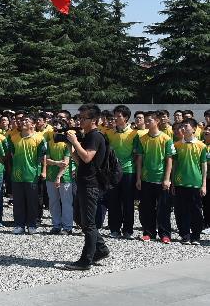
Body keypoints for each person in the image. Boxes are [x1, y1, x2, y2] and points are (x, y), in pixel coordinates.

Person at [61, 104, 110, 271]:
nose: (79, 121)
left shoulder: (95, 136)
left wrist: (75, 141)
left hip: (91, 184)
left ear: (94, 120)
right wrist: (70, 147)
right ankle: (101, 249)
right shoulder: (89, 136)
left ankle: (86, 260)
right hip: (84, 181)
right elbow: (80, 159)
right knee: (79, 216)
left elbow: (88, 157)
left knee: (88, 223)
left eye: (83, 118)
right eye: (79, 118)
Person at [134, 111, 175, 243]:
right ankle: (149, 232)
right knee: (147, 207)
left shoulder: (166, 139)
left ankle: (165, 234)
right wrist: (139, 178)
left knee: (163, 208)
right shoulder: (142, 139)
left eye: (149, 120)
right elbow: (139, 159)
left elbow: (169, 159)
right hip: (146, 178)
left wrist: (167, 179)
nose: (146, 123)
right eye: (145, 120)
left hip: (161, 179)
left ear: (157, 121)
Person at [8, 113, 47, 235]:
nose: (23, 122)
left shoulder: (40, 138)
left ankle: (32, 225)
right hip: (17, 174)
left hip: (32, 174)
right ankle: (19, 225)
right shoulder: (13, 138)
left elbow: (43, 156)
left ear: (33, 124)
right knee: (18, 201)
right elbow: (12, 155)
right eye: (22, 120)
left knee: (32, 201)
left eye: (27, 120)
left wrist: (44, 170)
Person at [171, 119, 207, 244]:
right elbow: (174, 165)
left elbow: (203, 165)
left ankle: (196, 236)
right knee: (181, 210)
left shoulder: (201, 146)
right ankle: (184, 235)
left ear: (194, 128)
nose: (183, 128)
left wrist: (204, 184)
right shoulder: (176, 145)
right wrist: (173, 182)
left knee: (196, 210)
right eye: (182, 126)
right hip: (180, 182)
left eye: (186, 126)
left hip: (195, 183)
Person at [105, 105, 138, 238]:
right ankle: (114, 229)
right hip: (113, 172)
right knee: (113, 201)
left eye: (119, 116)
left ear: (126, 118)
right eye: (115, 115)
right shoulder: (109, 133)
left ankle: (128, 230)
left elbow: (136, 155)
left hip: (128, 171)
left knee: (128, 202)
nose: (116, 118)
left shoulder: (134, 134)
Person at [43, 127, 73, 234]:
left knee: (66, 202)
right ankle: (56, 225)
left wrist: (59, 176)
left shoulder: (67, 143)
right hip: (51, 176)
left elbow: (66, 162)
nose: (57, 132)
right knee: (53, 202)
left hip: (65, 177)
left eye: (60, 131)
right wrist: (56, 163)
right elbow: (47, 159)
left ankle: (68, 226)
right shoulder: (49, 143)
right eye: (56, 130)